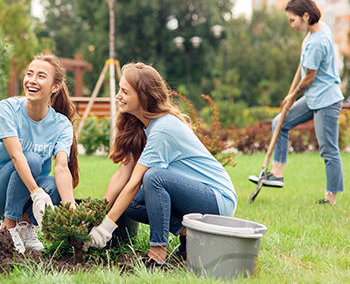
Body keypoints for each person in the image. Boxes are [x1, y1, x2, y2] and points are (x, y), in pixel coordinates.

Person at [86, 63, 237, 266]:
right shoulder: (141, 126)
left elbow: (135, 182)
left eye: (124, 91)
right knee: (129, 202)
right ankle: (187, 235)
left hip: (218, 199)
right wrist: (96, 215)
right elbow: (122, 175)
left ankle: (157, 253)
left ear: (143, 96)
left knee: (153, 177)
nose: (117, 96)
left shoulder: (163, 128)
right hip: (194, 197)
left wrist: (106, 228)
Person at [0, 55, 82, 254]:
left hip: (26, 192)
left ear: (55, 87)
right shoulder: (7, 109)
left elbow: (62, 168)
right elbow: (17, 156)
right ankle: (8, 228)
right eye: (29, 74)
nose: (32, 80)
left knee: (57, 185)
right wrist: (36, 192)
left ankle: (25, 226)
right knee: (32, 158)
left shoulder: (61, 124)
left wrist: (71, 212)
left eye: (41, 76)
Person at [247, 0, 345, 205]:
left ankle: (331, 197)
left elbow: (309, 77)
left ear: (306, 16)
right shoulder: (317, 30)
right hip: (313, 98)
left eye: (293, 20)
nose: (291, 25)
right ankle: (277, 173)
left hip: (326, 100)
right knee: (279, 122)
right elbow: (306, 67)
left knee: (328, 149)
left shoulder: (318, 42)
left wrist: (292, 95)